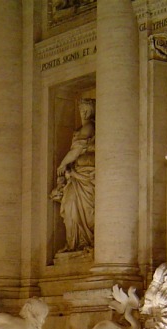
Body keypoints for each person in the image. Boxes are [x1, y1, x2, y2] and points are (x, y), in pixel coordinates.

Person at [50, 98, 96, 253]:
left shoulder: (89, 127)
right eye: (82, 110)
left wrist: (63, 164)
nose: (84, 113)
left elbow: (76, 149)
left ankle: (85, 241)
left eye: (87, 110)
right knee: (70, 208)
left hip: (86, 176)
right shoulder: (80, 129)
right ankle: (73, 243)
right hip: (76, 176)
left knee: (86, 212)